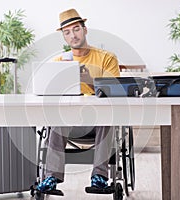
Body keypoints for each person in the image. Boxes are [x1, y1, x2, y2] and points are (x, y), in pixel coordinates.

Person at [37, 8, 120, 192]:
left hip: (97, 123)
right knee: (57, 116)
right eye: (67, 32)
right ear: (64, 37)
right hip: (68, 121)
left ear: (85, 29)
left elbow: (116, 92)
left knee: (107, 115)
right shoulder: (59, 62)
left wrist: (88, 80)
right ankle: (51, 177)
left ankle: (99, 176)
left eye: (76, 29)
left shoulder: (107, 58)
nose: (73, 35)